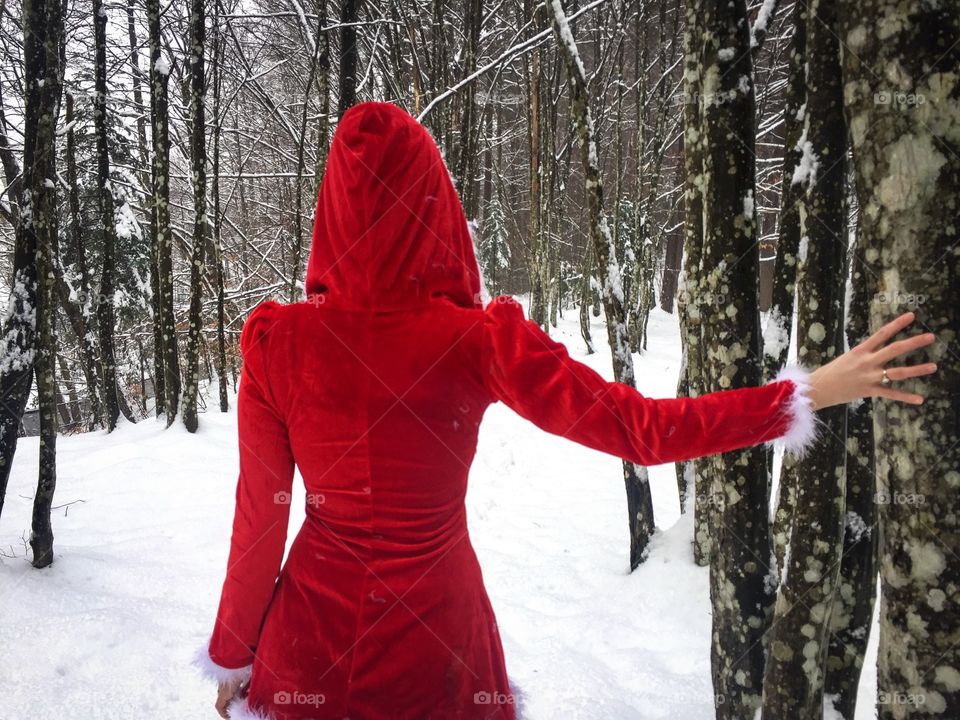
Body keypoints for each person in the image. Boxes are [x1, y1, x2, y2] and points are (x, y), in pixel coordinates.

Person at [193, 102, 936, 720]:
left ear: (332, 211)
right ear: (433, 205)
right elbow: (644, 431)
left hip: (307, 659)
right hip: (441, 664)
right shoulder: (477, 342)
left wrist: (233, 653)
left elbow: (261, 517)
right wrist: (804, 394)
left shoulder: (278, 345)